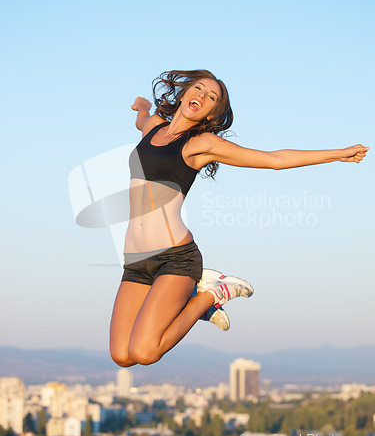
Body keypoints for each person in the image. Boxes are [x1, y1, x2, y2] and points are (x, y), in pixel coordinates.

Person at [109, 69, 369, 368]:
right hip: (136, 259)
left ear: (211, 114)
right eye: (198, 89)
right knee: (122, 356)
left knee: (145, 353)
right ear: (183, 94)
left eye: (211, 98)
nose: (202, 97)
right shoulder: (153, 127)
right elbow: (142, 116)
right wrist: (141, 105)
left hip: (174, 257)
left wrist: (338, 154)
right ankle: (199, 291)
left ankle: (211, 295)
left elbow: (274, 160)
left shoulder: (201, 144)